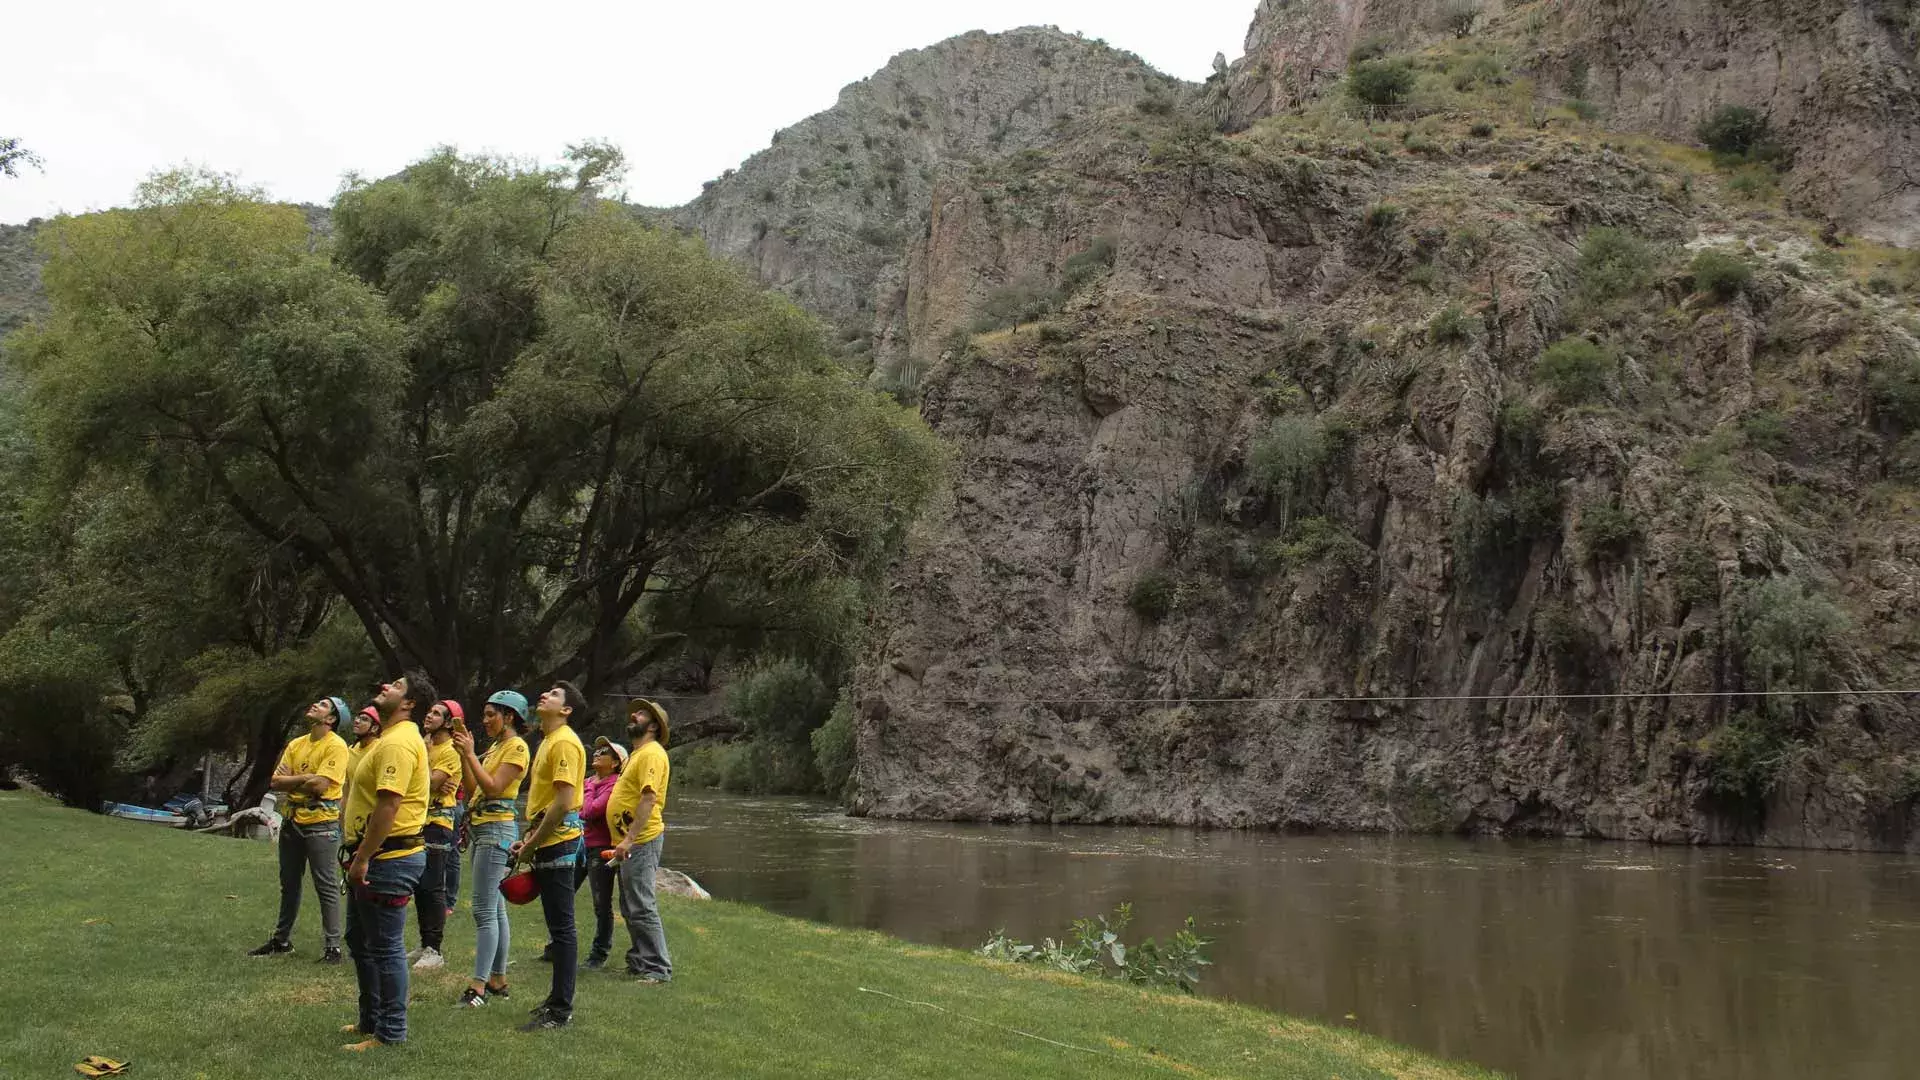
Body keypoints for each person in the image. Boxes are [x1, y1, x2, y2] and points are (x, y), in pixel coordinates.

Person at [339, 673, 433, 1051]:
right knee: (359, 939)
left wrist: (363, 857)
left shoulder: (399, 744)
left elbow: (389, 805)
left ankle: (390, 1032)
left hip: (388, 858)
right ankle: (370, 1019)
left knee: (386, 947)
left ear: (409, 703)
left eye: (395, 686)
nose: (384, 687)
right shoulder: (388, 740)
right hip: (374, 856)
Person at [247, 696, 352, 963]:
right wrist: (305, 778)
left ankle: (333, 947)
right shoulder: (297, 743)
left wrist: (294, 782)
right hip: (292, 822)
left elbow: (320, 786)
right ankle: (281, 940)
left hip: (321, 825)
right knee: (289, 884)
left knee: (325, 885)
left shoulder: (337, 747)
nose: (316, 705)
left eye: (324, 705)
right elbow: (275, 781)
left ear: (331, 719)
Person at [510, 682, 588, 1031]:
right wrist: (528, 837)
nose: (544, 695)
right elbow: (544, 805)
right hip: (547, 840)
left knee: (563, 929)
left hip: (559, 842)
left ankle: (560, 1010)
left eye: (555, 695)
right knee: (558, 929)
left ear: (566, 710)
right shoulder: (548, 741)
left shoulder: (566, 743)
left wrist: (531, 843)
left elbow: (563, 801)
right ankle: (555, 1000)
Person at [451, 690, 530, 1008]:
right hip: (484, 830)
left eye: (490, 715)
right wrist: (464, 755)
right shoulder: (497, 747)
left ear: (509, 717)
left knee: (484, 910)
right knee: (495, 910)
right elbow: (474, 788)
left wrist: (471, 754)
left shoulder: (518, 747)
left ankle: (478, 987)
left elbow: (496, 787)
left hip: (496, 833)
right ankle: (497, 979)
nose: (484, 721)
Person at [607, 698, 672, 985]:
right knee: (630, 904)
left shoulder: (652, 754)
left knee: (642, 904)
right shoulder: (638, 753)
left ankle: (657, 968)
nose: (634, 714)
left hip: (641, 840)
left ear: (654, 726)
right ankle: (639, 961)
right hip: (629, 842)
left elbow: (649, 798)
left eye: (642, 713)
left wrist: (630, 839)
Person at [409, 699, 463, 971]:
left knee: (433, 886)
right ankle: (423, 942)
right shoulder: (423, 745)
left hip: (438, 823)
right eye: (429, 711)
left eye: (436, 714)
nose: (429, 716)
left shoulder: (450, 751)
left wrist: (424, 778)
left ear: (449, 722)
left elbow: (429, 784)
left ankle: (435, 949)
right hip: (419, 820)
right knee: (420, 885)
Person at [577, 736, 627, 969]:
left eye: (604, 752)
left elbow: (589, 811)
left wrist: (589, 788)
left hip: (602, 848)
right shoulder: (589, 782)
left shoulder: (616, 784)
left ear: (616, 763)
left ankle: (599, 954)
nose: (597, 754)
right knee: (563, 894)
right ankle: (555, 946)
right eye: (596, 750)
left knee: (601, 903)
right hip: (580, 844)